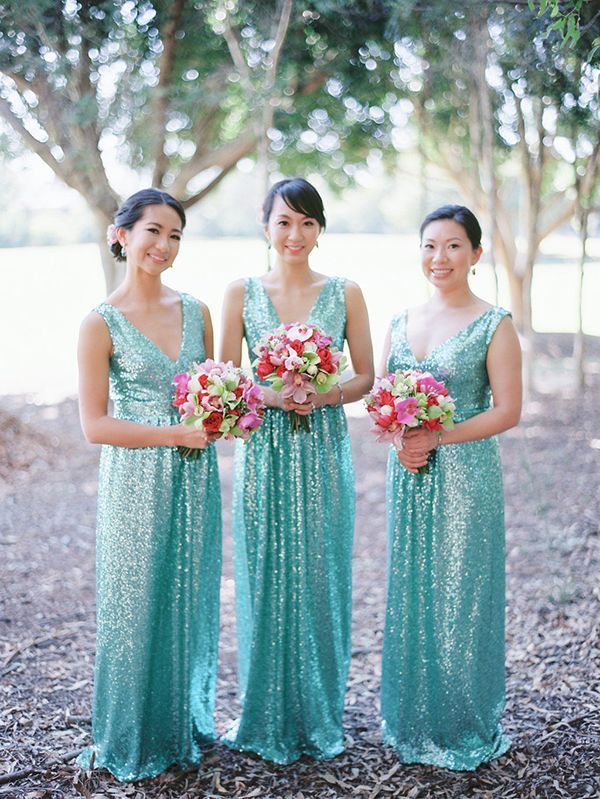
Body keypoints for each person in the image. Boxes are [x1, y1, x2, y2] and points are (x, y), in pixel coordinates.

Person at [219, 177, 374, 764]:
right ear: (265, 227)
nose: (295, 234)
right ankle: (264, 714)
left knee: (320, 576)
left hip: (323, 451)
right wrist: (277, 395)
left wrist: (324, 393)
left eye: (307, 222)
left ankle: (319, 716)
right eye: (284, 222)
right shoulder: (240, 293)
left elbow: (365, 376)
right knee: (263, 577)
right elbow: (228, 383)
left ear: (320, 229)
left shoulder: (346, 292)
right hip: (264, 455)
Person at [76, 188, 222, 781]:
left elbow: (211, 394)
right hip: (135, 481)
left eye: (175, 235)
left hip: (194, 479)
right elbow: (95, 425)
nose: (163, 245)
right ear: (122, 235)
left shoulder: (197, 312)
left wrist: (218, 420)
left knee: (187, 598)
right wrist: (174, 437)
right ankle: (131, 736)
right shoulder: (99, 323)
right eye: (153, 231)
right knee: (134, 606)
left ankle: (180, 725)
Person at [379, 204, 521, 771]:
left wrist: (437, 437)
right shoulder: (399, 321)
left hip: (467, 475)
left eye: (454, 245)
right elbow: (384, 401)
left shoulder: (495, 323)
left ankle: (463, 720)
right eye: (430, 245)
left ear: (476, 254)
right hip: (408, 474)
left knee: (462, 592)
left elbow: (508, 411)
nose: (440, 257)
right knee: (414, 588)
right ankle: (413, 716)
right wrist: (399, 440)